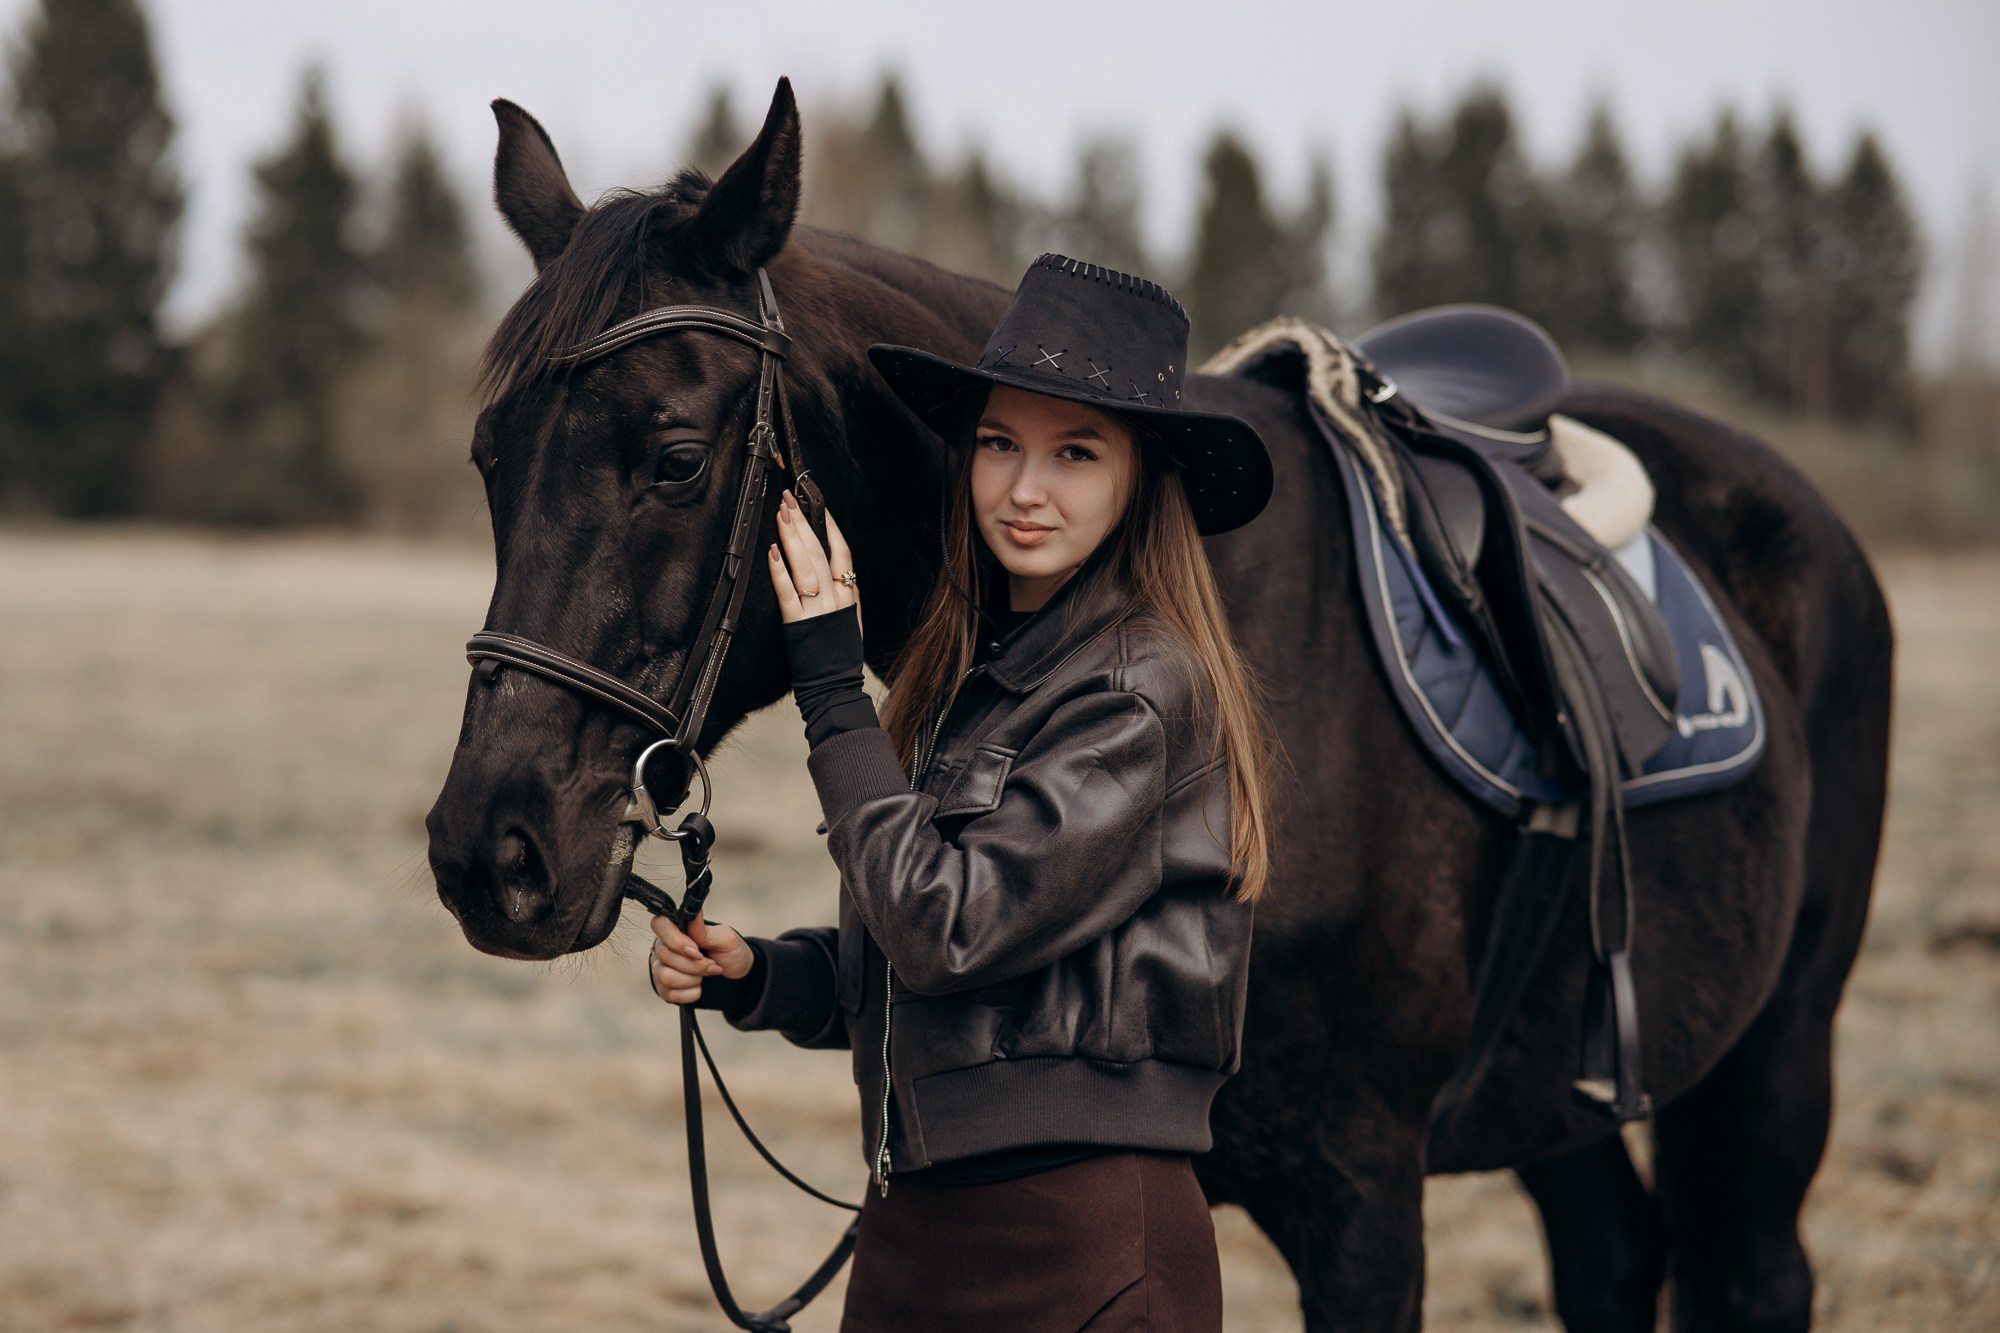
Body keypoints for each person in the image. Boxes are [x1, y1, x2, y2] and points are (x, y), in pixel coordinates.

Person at [649, 253, 1278, 1331]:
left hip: (1084, 1246)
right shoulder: (972, 677)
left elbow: (950, 929)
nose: (1023, 489)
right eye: (998, 444)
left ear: (1140, 477)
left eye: (1073, 453)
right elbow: (926, 970)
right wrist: (761, 975)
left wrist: (832, 693)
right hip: (919, 1229)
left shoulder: (1139, 687)